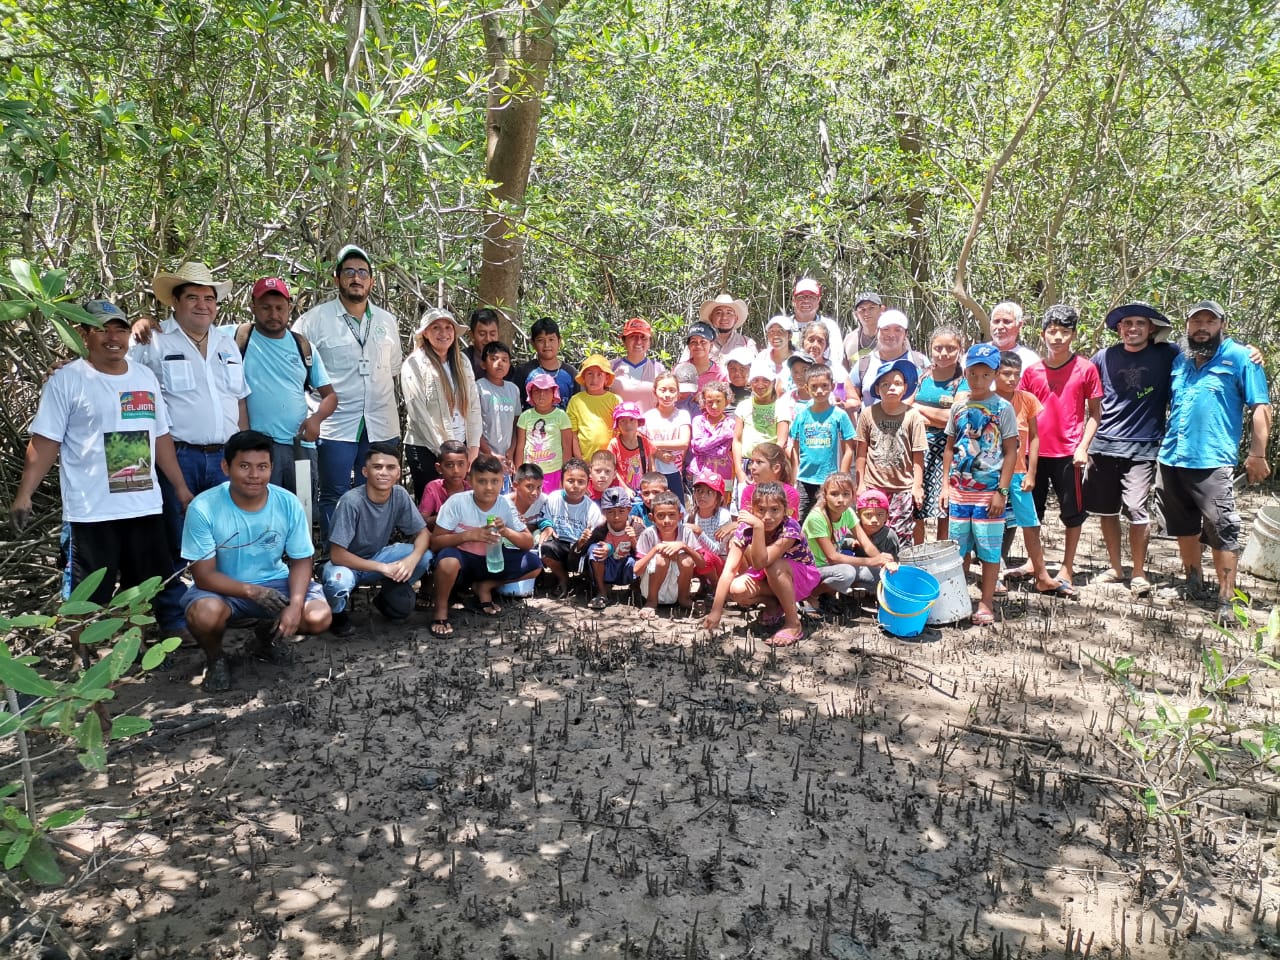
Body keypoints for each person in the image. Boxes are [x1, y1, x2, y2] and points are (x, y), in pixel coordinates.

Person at [10, 300, 194, 650]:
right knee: (86, 594)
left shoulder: (144, 377)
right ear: (83, 335)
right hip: (92, 511)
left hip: (143, 506)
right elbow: (45, 441)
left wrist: (182, 489)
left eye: (119, 329)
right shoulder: (66, 380)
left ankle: (133, 649)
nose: (113, 337)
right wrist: (25, 494)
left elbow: (160, 437)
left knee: (143, 586)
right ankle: (85, 663)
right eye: (101, 329)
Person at [181, 431, 332, 692]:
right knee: (204, 615)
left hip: (276, 583)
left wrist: (296, 605)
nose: (254, 475)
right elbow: (203, 575)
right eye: (244, 466)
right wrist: (251, 591)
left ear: (272, 468)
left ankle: (264, 640)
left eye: (262, 467)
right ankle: (216, 658)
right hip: (222, 588)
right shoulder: (203, 507)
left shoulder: (287, 503)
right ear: (226, 467)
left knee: (318, 617)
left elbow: (301, 560)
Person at [1156, 300, 1271, 620]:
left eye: (1210, 321)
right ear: (1187, 325)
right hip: (1173, 457)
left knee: (1223, 528)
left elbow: (1260, 408)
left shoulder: (1240, 358)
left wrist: (1257, 454)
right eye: (1196, 322)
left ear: (1222, 324)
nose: (1202, 327)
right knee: (1183, 526)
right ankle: (1193, 581)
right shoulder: (1180, 360)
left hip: (1212, 461)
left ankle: (1225, 599)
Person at [132, 261, 249, 565]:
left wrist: (244, 450)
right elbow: (119, 379)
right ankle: (180, 606)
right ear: (175, 302)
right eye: (193, 298)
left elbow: (239, 400)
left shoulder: (227, 343)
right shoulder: (152, 341)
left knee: (225, 533)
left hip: (225, 455)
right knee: (177, 535)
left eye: (209, 298)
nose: (203, 305)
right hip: (178, 456)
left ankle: (221, 602)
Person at [294, 246, 402, 542]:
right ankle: (335, 555)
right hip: (335, 423)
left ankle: (372, 552)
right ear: (337, 278)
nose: (357, 278)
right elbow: (297, 372)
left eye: (363, 272)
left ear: (372, 281)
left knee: (379, 490)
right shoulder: (313, 321)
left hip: (380, 421)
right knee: (334, 492)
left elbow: (392, 369)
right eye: (349, 272)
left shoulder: (386, 321)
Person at [1083, 302, 1178, 596]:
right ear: (1118, 329)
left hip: (1143, 448)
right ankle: (1115, 567)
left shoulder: (1168, 354)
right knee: (1106, 511)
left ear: (1151, 329)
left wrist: (1250, 351)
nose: (1132, 329)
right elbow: (1085, 390)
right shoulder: (1104, 356)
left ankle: (1139, 572)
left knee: (1137, 509)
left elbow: (1206, 349)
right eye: (1126, 324)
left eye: (1139, 323)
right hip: (1104, 444)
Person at [1017, 305, 1101, 589]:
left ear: (1073, 335)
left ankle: (1067, 566)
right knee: (1032, 511)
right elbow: (1023, 414)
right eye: (1052, 331)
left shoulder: (1086, 369)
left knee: (1072, 512)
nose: (1057, 338)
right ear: (1043, 335)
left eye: (1064, 332)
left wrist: (1083, 447)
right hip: (1033, 454)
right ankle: (1034, 562)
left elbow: (1095, 414)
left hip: (1069, 453)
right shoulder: (1031, 372)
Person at [235, 277, 338, 500]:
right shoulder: (237, 337)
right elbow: (194, 331)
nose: (273, 314)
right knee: (260, 509)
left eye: (280, 308)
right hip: (258, 447)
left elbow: (330, 396)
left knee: (302, 510)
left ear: (289, 308)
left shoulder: (303, 346)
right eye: (266, 308)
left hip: (299, 445)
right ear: (253, 307)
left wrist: (317, 419)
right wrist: (144, 322)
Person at [941, 344, 1018, 626]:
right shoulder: (959, 406)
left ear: (995, 374)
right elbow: (950, 447)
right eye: (973, 373)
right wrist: (945, 486)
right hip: (960, 492)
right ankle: (959, 599)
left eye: (986, 374)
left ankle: (985, 602)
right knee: (958, 548)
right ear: (965, 373)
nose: (979, 380)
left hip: (988, 494)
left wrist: (1002, 491)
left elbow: (1011, 452)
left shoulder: (1003, 408)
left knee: (988, 549)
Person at [323, 443, 432, 637]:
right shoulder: (352, 501)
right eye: (377, 467)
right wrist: (383, 568)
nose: (384, 473)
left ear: (398, 473)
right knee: (337, 583)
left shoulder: (399, 494)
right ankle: (337, 614)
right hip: (347, 564)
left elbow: (423, 534)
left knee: (425, 556)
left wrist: (411, 559)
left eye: (390, 468)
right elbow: (337, 555)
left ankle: (388, 594)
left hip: (377, 557)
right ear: (365, 471)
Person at [992, 351, 1075, 598]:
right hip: (993, 475)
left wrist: (1031, 472)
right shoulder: (988, 401)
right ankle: (993, 575)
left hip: (1019, 473)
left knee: (1031, 524)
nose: (1011, 379)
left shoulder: (1027, 400)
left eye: (1016, 375)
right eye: (1006, 374)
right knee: (993, 525)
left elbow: (1035, 437)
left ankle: (1042, 576)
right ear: (995, 374)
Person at [429, 454, 541, 636]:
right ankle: (440, 611)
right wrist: (469, 535)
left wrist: (505, 531)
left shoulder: (505, 504)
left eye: (494, 481)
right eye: (482, 481)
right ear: (470, 481)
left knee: (534, 564)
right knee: (447, 561)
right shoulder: (457, 502)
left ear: (502, 481)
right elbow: (435, 543)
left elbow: (528, 543)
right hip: (462, 562)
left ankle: (484, 587)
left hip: (491, 561)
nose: (489, 487)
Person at [703, 481, 821, 647]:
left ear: (785, 511)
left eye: (774, 509)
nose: (768, 516)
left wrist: (758, 526)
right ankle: (774, 605)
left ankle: (793, 624)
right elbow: (729, 570)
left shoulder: (790, 527)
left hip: (800, 578)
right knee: (737, 589)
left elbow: (761, 562)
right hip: (770, 576)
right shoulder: (745, 529)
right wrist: (716, 611)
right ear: (752, 510)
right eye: (761, 510)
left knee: (773, 565)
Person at [401, 308, 482, 504]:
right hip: (426, 448)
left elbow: (473, 405)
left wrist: (473, 446)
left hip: (460, 446)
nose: (443, 333)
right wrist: (444, 451)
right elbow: (417, 411)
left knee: (459, 504)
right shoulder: (415, 363)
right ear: (425, 333)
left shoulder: (462, 361)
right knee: (432, 506)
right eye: (436, 327)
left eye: (448, 327)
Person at [854, 358, 926, 543]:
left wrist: (917, 487)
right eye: (885, 384)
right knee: (872, 529)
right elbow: (861, 452)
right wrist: (860, 484)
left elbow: (918, 455)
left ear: (905, 387)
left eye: (897, 383)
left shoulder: (913, 416)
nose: (891, 388)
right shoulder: (868, 414)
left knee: (900, 534)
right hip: (874, 485)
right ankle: (873, 568)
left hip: (902, 487)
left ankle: (897, 569)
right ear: (877, 389)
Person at [913, 327, 966, 543]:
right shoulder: (922, 377)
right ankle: (917, 554)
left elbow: (956, 418)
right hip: (917, 448)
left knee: (945, 506)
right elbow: (905, 408)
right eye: (938, 348)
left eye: (951, 348)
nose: (944, 353)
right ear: (930, 349)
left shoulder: (964, 381)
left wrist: (920, 410)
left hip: (949, 450)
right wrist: (931, 414)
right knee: (916, 505)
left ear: (960, 350)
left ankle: (940, 553)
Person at [788, 363, 855, 521]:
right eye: (814, 386)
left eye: (824, 386)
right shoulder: (801, 415)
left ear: (832, 386)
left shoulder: (839, 415)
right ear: (806, 388)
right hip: (804, 479)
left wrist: (842, 477)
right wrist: (794, 478)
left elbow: (849, 450)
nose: (819, 391)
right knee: (801, 519)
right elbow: (795, 450)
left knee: (827, 519)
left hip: (829, 480)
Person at [539, 458, 603, 597]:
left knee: (593, 552)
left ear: (587, 484)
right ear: (561, 482)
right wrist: (548, 527)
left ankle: (588, 580)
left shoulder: (591, 508)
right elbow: (544, 517)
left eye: (581, 482)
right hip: (559, 543)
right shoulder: (554, 498)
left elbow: (597, 535)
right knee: (545, 548)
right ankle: (563, 578)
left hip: (579, 548)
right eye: (570, 481)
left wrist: (585, 540)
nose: (575, 486)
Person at [634, 492, 702, 619]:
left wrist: (684, 546)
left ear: (680, 516)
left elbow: (702, 565)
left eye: (672, 515)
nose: (667, 521)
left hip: (675, 589)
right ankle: (651, 602)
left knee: (686, 560)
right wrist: (655, 550)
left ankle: (683, 598)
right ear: (651, 517)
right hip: (651, 588)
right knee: (661, 559)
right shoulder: (648, 534)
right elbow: (636, 571)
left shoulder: (686, 533)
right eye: (660, 516)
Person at [801, 472, 862, 600]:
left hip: (832, 567)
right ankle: (811, 595)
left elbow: (865, 543)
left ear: (852, 496)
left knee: (876, 574)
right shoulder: (817, 517)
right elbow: (832, 557)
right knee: (847, 573)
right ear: (825, 496)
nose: (841, 500)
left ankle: (830, 593)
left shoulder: (848, 512)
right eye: (834, 494)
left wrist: (882, 560)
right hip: (812, 569)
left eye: (846, 494)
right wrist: (872, 561)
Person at [849, 310, 928, 407]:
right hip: (870, 421)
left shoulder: (920, 362)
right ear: (877, 331)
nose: (891, 334)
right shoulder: (864, 364)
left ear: (906, 334)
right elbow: (851, 400)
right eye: (886, 329)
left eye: (898, 330)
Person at [514, 374, 574, 492]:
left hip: (555, 473)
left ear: (554, 393)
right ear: (531, 393)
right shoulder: (525, 416)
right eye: (537, 391)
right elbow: (520, 447)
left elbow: (567, 448)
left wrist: (565, 476)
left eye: (546, 390)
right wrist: (518, 475)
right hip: (529, 473)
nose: (542, 394)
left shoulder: (561, 416)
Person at [586, 486, 640, 610]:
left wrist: (633, 541)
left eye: (621, 511)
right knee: (594, 550)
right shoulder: (601, 529)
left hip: (627, 567)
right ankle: (602, 591)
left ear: (629, 510)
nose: (616, 517)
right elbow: (583, 556)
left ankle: (637, 589)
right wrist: (582, 542)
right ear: (604, 512)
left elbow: (645, 555)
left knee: (642, 561)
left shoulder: (637, 527)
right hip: (610, 567)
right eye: (610, 512)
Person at [476, 340, 521, 484]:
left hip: (506, 459)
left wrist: (511, 451)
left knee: (505, 495)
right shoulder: (478, 388)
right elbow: (472, 426)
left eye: (504, 360)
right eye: (494, 359)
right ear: (483, 364)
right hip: (483, 457)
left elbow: (516, 425)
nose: (499, 363)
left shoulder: (513, 389)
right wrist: (490, 453)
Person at [733, 356, 778, 497]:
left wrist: (771, 468)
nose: (760, 384)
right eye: (756, 380)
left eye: (765, 380)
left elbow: (781, 442)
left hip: (770, 466)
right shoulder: (743, 406)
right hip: (746, 464)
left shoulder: (780, 406)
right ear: (749, 383)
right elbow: (737, 440)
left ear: (773, 382)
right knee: (744, 506)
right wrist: (739, 471)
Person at [645, 371, 692, 501]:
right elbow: (641, 443)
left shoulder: (683, 415)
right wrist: (658, 453)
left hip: (674, 471)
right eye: (663, 390)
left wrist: (653, 444)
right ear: (655, 392)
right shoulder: (647, 417)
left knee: (677, 508)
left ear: (678, 394)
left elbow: (683, 443)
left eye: (672, 390)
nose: (667, 395)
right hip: (653, 471)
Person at [513, 317, 576, 410]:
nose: (547, 345)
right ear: (533, 343)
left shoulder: (571, 373)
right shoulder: (524, 371)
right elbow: (514, 405)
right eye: (541, 340)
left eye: (551, 339)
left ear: (559, 341)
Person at [566, 354, 620, 460]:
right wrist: (579, 459)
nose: (594, 379)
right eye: (590, 374)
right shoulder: (576, 400)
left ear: (606, 378)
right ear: (583, 377)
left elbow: (620, 431)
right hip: (585, 459)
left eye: (599, 375)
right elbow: (573, 434)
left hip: (611, 460)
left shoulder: (615, 400)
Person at [687, 470, 735, 588]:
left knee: (705, 557)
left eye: (709, 492)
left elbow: (717, 550)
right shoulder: (691, 515)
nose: (702, 496)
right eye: (699, 491)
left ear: (718, 498)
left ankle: (715, 585)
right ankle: (698, 586)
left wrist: (699, 532)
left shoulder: (723, 516)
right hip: (696, 559)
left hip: (717, 562)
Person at [687, 380, 736, 490]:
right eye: (710, 402)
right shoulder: (698, 421)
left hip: (724, 471)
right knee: (701, 501)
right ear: (704, 402)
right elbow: (698, 446)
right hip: (701, 471)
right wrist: (723, 436)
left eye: (719, 401)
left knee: (723, 502)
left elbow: (721, 452)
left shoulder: (731, 424)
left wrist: (703, 448)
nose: (714, 406)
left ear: (727, 402)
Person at [789, 278, 843, 376]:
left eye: (811, 297)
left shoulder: (830, 326)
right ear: (794, 300)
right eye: (801, 297)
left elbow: (836, 359)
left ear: (818, 301)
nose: (806, 301)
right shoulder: (784, 326)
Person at [611, 316, 665, 413]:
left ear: (649, 342)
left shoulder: (658, 369)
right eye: (633, 336)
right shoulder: (611, 367)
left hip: (649, 427)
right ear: (624, 341)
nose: (638, 341)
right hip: (617, 427)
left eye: (643, 337)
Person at [687, 294, 756, 362]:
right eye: (718, 313)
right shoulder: (696, 342)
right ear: (711, 317)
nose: (724, 317)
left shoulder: (747, 344)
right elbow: (682, 369)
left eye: (729, 313)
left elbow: (755, 371)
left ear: (736, 318)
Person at [418, 440, 471, 527]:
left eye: (461, 464)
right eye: (449, 465)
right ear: (439, 468)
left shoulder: (472, 490)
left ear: (468, 466)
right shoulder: (433, 488)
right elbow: (421, 521)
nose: (456, 471)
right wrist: (449, 514)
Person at [741, 442, 800, 520]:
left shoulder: (790, 493)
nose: (753, 467)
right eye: (752, 462)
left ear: (776, 468)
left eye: (759, 462)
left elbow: (789, 524)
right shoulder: (748, 491)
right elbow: (745, 522)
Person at [607, 402, 654, 491]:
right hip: (621, 490)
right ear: (618, 425)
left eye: (632, 419)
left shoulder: (644, 442)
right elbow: (611, 469)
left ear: (638, 422)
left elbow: (652, 468)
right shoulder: (614, 444)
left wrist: (650, 487)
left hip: (643, 489)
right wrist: (625, 488)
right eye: (623, 421)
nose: (628, 424)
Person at [988, 301, 1040, 369]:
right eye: (996, 321)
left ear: (1019, 325)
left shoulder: (1030, 360)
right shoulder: (977, 353)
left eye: (1007, 322)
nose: (1000, 327)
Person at [842, 292, 885, 371]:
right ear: (856, 314)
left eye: (871, 308)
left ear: (882, 310)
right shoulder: (849, 340)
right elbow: (843, 375)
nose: (866, 313)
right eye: (862, 309)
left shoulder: (892, 336)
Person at [682, 323, 726, 396]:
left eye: (703, 342)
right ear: (689, 346)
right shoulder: (679, 369)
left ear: (711, 345)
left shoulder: (721, 374)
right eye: (693, 342)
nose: (698, 346)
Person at [462, 307, 504, 380]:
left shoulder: (504, 361)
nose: (488, 339)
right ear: (471, 334)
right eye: (482, 334)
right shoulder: (461, 360)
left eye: (492, 334)